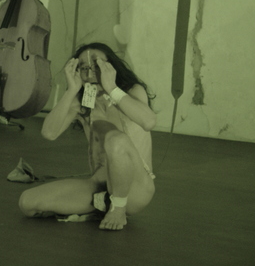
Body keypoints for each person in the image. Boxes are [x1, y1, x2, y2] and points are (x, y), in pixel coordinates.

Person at [18, 43, 156, 230]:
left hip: (135, 189)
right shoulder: (83, 101)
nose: (90, 71)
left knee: (116, 140)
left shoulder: (131, 91)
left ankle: (118, 208)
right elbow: (49, 133)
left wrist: (112, 87)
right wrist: (71, 91)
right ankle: (102, 207)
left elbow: (148, 122)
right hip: (100, 187)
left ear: (110, 67)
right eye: (84, 67)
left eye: (97, 65)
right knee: (27, 203)